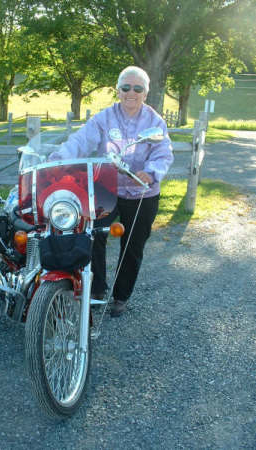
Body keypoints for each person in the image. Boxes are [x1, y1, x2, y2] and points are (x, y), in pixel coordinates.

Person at [49, 66, 174, 317]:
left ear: (145, 93)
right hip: (108, 187)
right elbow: (80, 141)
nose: (131, 92)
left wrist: (150, 172)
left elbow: (164, 152)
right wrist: (57, 161)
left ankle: (121, 296)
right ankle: (96, 289)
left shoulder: (155, 122)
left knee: (133, 246)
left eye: (138, 88)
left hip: (142, 194)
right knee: (92, 233)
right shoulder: (104, 118)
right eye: (126, 87)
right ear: (118, 90)